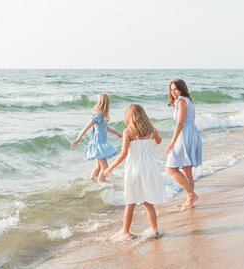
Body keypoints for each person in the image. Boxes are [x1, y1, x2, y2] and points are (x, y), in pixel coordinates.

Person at [103, 104, 168, 238]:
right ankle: (154, 230)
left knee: (130, 202)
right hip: (150, 167)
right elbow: (159, 141)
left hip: (134, 168)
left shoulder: (128, 132)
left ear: (129, 118)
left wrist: (110, 167)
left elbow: (123, 154)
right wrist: (152, 137)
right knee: (148, 203)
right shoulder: (152, 131)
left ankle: (126, 232)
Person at [165, 79, 202, 210]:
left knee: (171, 168)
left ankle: (191, 195)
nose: (173, 92)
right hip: (192, 133)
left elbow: (180, 123)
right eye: (171, 89)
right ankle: (190, 201)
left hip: (185, 134)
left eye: (175, 89)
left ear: (181, 89)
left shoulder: (181, 101)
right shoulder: (187, 101)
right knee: (187, 171)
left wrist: (171, 143)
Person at [71, 93, 122, 182]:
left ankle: (92, 182)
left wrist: (117, 133)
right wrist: (78, 139)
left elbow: (105, 128)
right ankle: (101, 185)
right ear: (107, 103)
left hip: (101, 142)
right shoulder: (98, 115)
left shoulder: (103, 116)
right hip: (98, 143)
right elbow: (87, 127)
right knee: (105, 168)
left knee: (98, 167)